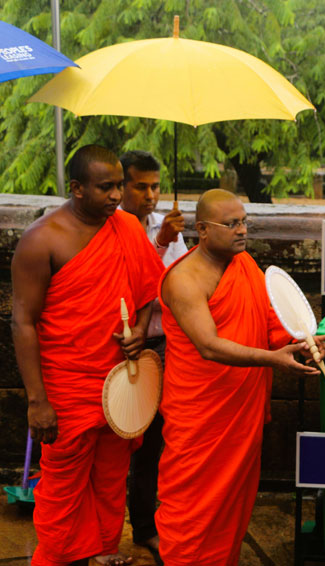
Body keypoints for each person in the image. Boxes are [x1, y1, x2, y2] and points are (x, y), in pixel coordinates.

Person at [155, 188, 325, 566]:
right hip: (201, 418)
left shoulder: (245, 265)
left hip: (241, 413)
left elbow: (270, 323)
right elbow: (209, 346)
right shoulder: (185, 279)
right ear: (202, 229)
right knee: (191, 512)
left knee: (232, 512)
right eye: (231, 223)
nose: (242, 230)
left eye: (244, 222)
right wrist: (273, 359)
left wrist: (299, 341)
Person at [11, 145, 164, 566]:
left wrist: (137, 330)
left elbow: (150, 291)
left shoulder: (128, 228)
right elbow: (22, 323)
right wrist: (37, 400)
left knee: (110, 479)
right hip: (67, 386)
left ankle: (101, 551)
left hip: (121, 380)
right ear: (76, 189)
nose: (117, 195)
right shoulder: (42, 239)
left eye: (119, 185)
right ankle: (59, 558)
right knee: (62, 483)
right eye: (106, 187)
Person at [117, 150, 187, 558]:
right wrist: (159, 245)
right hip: (128, 342)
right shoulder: (114, 229)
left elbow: (177, 284)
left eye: (155, 187)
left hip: (168, 342)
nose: (151, 195)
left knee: (160, 440)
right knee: (129, 441)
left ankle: (150, 526)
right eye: (140, 186)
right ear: (122, 186)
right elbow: (135, 285)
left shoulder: (167, 225)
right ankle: (129, 526)